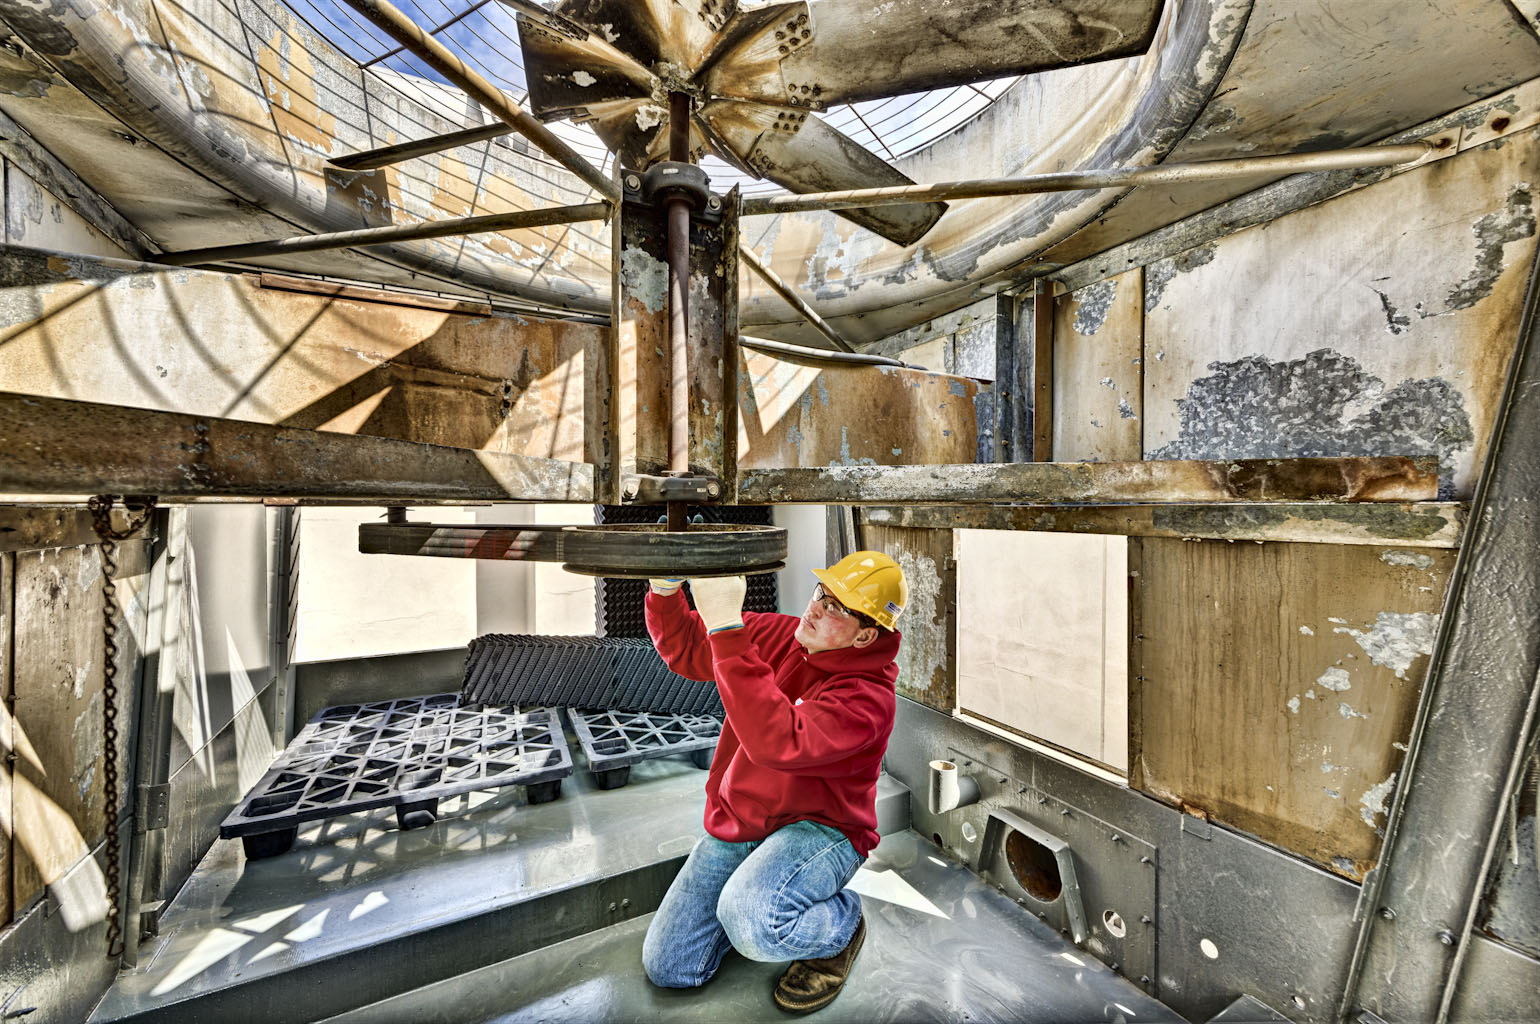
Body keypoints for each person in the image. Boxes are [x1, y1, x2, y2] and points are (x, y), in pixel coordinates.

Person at [639, 550, 908, 1014]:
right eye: (822, 593)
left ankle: (841, 925)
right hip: (747, 820)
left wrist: (726, 625)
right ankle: (754, 895)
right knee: (671, 967)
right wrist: (666, 592)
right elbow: (689, 647)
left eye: (837, 607)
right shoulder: (787, 635)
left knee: (753, 922)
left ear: (866, 635)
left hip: (823, 831)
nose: (817, 608)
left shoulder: (868, 702)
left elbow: (778, 742)